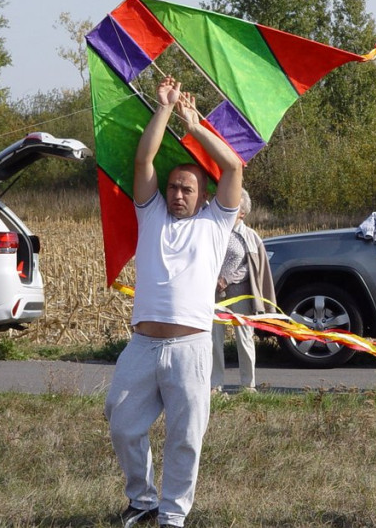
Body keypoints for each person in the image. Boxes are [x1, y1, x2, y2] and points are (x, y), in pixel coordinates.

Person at [104, 76, 243, 528]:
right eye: (174, 187)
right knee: (123, 423)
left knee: (185, 437)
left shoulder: (216, 223)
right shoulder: (151, 215)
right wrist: (163, 107)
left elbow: (234, 169)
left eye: (187, 189)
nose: (178, 194)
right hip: (143, 345)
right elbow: (144, 159)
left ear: (203, 196)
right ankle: (142, 501)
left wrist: (195, 124)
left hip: (191, 348)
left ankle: (172, 515)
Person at [211, 188, 276, 393]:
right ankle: (215, 385)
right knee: (214, 338)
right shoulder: (216, 230)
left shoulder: (250, 236)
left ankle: (248, 386)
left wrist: (227, 279)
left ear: (243, 213)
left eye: (234, 204)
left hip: (240, 294)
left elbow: (252, 267)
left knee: (244, 338)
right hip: (214, 294)